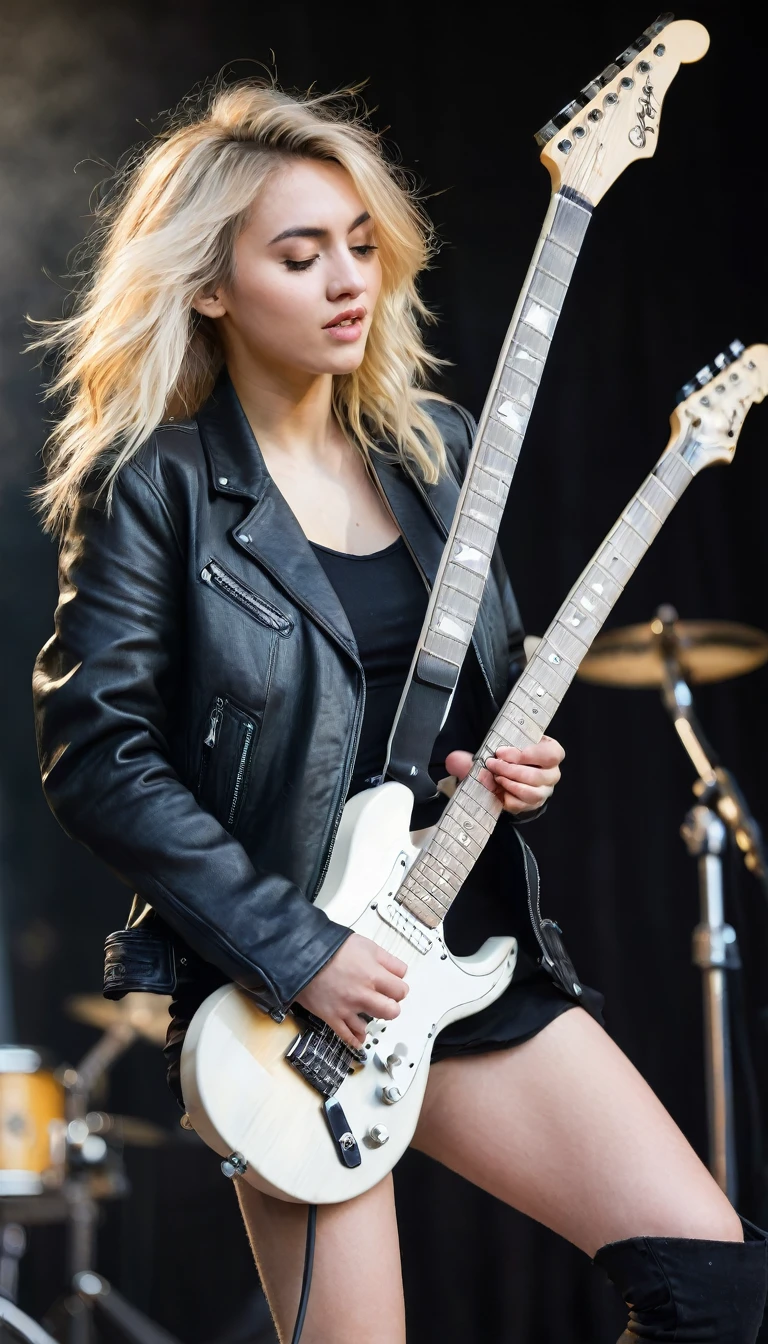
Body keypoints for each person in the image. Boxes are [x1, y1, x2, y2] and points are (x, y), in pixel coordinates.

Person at [31, 80, 767, 1344]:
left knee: (715, 1292)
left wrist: (513, 762)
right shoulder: (155, 485)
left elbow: (470, 706)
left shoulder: (434, 450)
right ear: (210, 286)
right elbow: (98, 756)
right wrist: (298, 950)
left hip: (465, 953)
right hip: (283, 995)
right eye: (300, 253)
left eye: (362, 244)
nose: (345, 280)